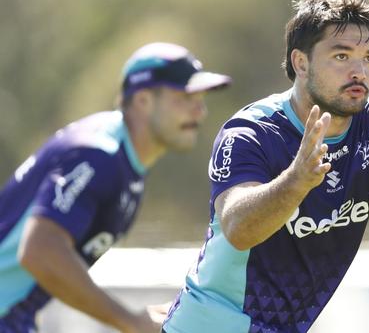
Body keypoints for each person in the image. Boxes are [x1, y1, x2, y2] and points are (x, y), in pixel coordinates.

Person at [162, 0, 369, 333]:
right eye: (342, 56)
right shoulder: (252, 131)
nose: (359, 72)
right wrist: (296, 180)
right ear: (301, 63)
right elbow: (237, 228)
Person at [0, 42, 231, 333]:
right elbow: (38, 250)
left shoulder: (123, 160)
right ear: (143, 100)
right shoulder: (99, 155)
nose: (200, 111)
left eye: (201, 98)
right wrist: (130, 321)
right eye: (185, 97)